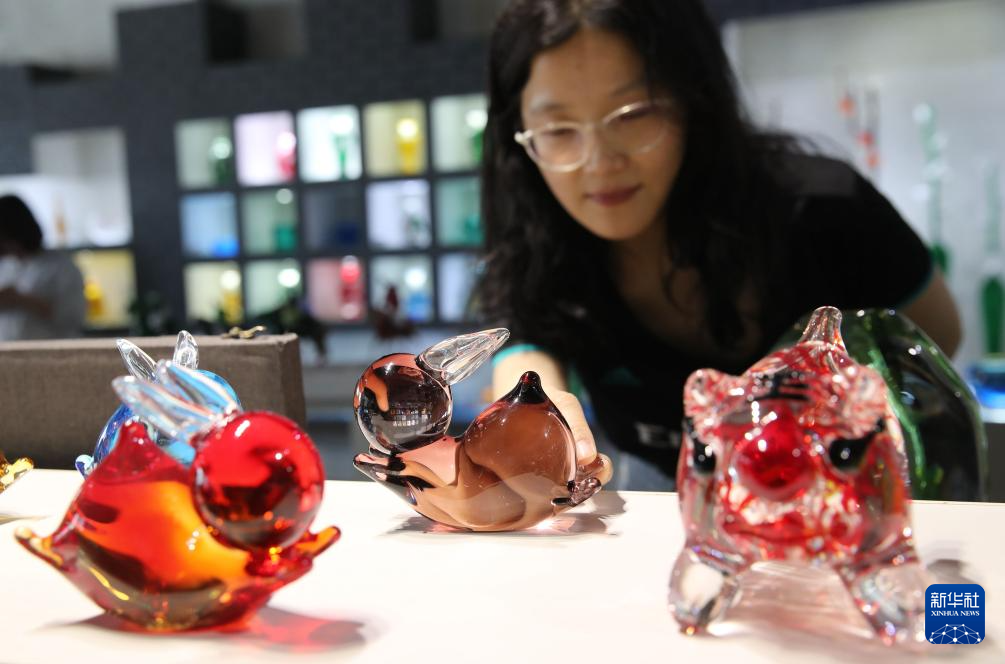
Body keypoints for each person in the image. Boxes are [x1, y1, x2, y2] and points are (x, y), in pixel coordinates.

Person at [477, 0, 961, 490]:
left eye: (634, 114)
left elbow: (940, 339)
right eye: (558, 130)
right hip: (666, 494)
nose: (599, 161)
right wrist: (531, 411)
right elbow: (525, 339)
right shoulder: (542, 240)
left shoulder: (828, 210)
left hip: (838, 496)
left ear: (693, 99)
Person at [0, 194, 86, 341]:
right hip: (9, 351)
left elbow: (73, 317)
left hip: (52, 350)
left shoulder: (60, 266)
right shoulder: (6, 266)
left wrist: (21, 300)